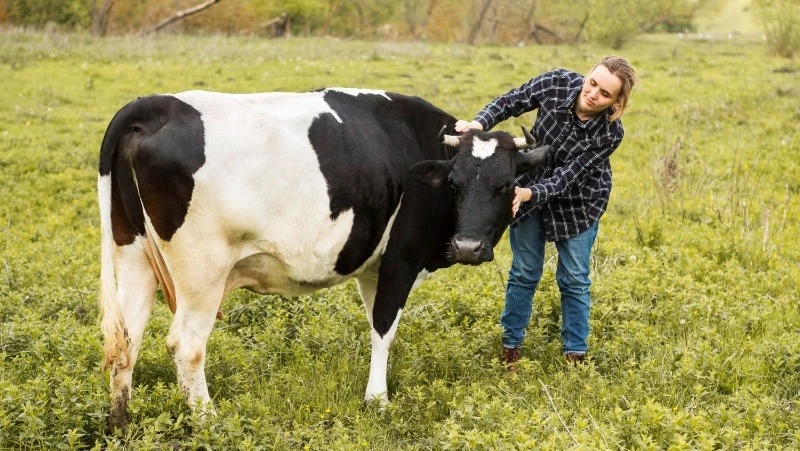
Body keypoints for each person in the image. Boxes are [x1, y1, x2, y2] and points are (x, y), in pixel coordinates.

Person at [455, 56, 637, 370]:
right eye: (592, 83)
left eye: (605, 94)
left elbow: (570, 175)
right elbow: (511, 101)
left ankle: (574, 357)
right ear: (588, 74)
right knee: (524, 273)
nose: (592, 94)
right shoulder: (557, 83)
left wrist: (530, 192)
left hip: (579, 202)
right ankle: (510, 350)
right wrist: (479, 123)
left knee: (574, 279)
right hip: (529, 189)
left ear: (617, 102)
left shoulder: (611, 133)